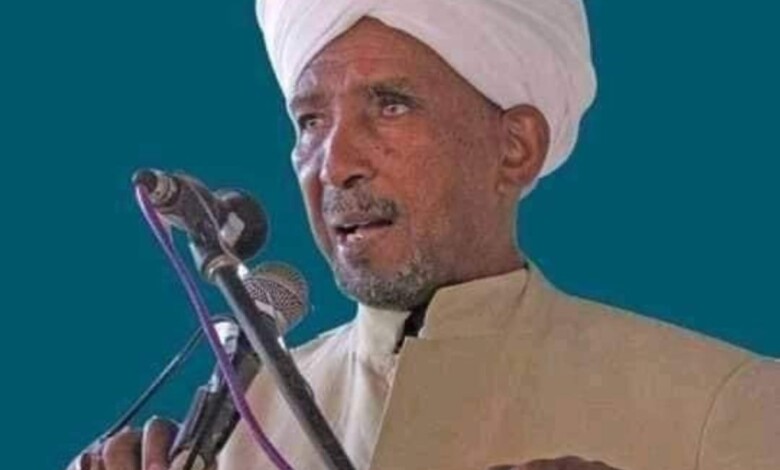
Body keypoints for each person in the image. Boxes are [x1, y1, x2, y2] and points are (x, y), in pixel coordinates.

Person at [67, 1, 780, 469]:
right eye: (310, 121)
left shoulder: (722, 408)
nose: (334, 165)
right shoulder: (234, 435)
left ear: (515, 149)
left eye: (391, 105)